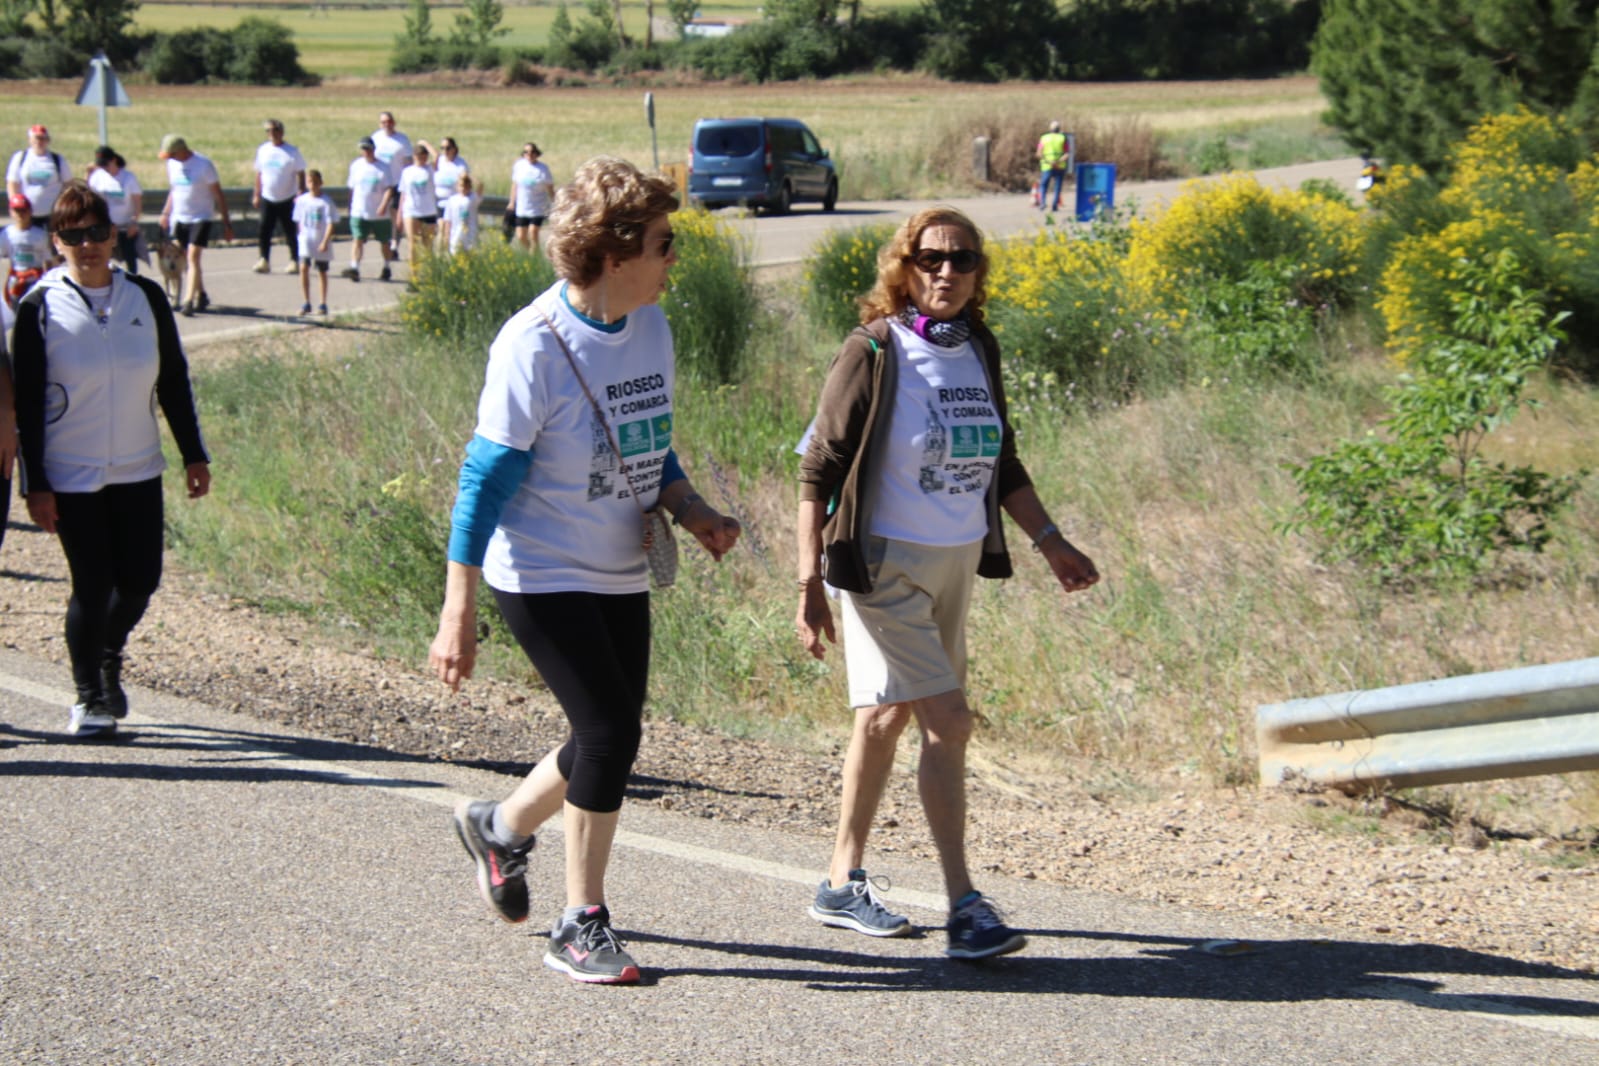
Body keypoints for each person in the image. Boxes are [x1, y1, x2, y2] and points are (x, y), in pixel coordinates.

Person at [430, 156, 741, 985]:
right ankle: (581, 922)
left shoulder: (651, 325)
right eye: (665, 244)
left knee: (604, 732)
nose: (676, 258)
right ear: (615, 253)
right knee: (610, 733)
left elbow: (643, 436)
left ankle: (500, 827)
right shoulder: (532, 345)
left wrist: (690, 508)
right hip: (535, 568)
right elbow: (482, 480)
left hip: (616, 561)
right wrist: (456, 608)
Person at [795, 206, 1099, 959]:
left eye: (962, 260)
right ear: (903, 266)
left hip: (957, 557)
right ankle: (964, 904)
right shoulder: (873, 349)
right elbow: (816, 469)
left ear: (978, 272)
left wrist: (1051, 542)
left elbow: (1003, 465)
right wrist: (807, 580)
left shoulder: (978, 349)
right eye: (930, 259)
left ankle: (840, 880)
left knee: (884, 719)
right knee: (950, 723)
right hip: (879, 564)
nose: (945, 273)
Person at [11, 180, 211, 737]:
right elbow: (26, 404)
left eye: (97, 232)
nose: (88, 245)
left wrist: (194, 455)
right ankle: (88, 697)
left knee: (142, 580)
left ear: (114, 233)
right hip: (71, 472)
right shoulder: (39, 307)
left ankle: (107, 650)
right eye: (74, 236)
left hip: (137, 465)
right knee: (92, 584)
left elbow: (172, 379)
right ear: (56, 241)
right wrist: (37, 484)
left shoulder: (144, 298)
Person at [157, 134, 233, 317]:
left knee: (192, 258)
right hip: (179, 218)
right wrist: (166, 212)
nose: (170, 159)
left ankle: (188, 300)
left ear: (181, 150)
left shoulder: (203, 165)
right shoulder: (172, 165)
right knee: (185, 258)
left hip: (201, 218)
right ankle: (202, 294)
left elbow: (218, 195)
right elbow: (174, 191)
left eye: (172, 154)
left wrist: (226, 223)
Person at [252, 118, 307, 275]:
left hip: (287, 197)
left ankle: (294, 260)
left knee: (290, 230)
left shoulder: (292, 151)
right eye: (268, 131)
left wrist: (300, 191)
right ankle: (264, 259)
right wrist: (256, 193)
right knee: (264, 229)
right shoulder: (263, 150)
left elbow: (300, 172)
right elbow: (259, 173)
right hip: (267, 197)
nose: (272, 134)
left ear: (281, 132)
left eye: (275, 130)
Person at [343, 137, 394, 283]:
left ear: (373, 149)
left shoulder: (383, 168)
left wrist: (383, 205)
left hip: (379, 213)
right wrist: (350, 204)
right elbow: (352, 188)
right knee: (358, 239)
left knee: (384, 242)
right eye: (363, 149)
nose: (366, 152)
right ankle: (355, 267)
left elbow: (389, 189)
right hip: (359, 210)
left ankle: (386, 266)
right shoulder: (356, 166)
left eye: (368, 149)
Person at [86, 146, 143, 276]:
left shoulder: (128, 178)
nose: (105, 169)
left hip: (125, 225)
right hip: (106, 225)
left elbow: (137, 202)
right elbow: (90, 199)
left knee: (129, 257)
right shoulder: (97, 177)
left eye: (106, 165)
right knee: (105, 256)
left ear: (114, 160)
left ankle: (132, 281)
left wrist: (134, 221)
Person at [293, 169, 338, 316]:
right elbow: (298, 220)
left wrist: (325, 241)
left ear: (321, 183)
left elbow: (331, 223)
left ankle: (323, 303)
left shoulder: (326, 202)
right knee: (303, 268)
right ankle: (306, 302)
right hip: (306, 239)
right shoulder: (302, 201)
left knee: (322, 271)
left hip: (320, 239)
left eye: (315, 182)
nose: (312, 185)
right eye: (310, 182)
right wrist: (300, 236)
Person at [370, 111, 412, 259]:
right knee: (383, 213)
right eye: (383, 122)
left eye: (389, 121)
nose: (386, 125)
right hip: (380, 183)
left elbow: (408, 162)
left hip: (397, 182)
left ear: (394, 123)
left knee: (395, 215)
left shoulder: (402, 140)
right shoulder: (375, 138)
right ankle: (385, 241)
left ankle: (394, 244)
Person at [7, 124, 71, 220]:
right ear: (30, 140)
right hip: (26, 215)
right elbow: (12, 183)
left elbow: (68, 184)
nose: (39, 142)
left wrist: (63, 207)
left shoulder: (57, 160)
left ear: (47, 141)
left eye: (42, 139)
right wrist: (14, 205)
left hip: (52, 215)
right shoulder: (20, 158)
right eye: (36, 138)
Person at [3, 192, 55, 308]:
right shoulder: (6, 235)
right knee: (16, 309)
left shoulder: (40, 234)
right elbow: (4, 259)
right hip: (16, 279)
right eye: (17, 211)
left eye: (23, 210)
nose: (20, 214)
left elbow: (47, 260)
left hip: (34, 278)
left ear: (30, 212)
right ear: (11, 212)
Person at [397, 141, 438, 271]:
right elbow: (403, 194)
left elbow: (437, 156)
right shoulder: (407, 172)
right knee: (412, 244)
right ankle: (414, 274)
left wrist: (426, 144)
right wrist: (399, 213)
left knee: (428, 244)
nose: (421, 158)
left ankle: (431, 271)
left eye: (423, 156)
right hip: (411, 211)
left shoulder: (430, 169)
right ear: (414, 156)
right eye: (418, 156)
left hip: (428, 211)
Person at [510, 143, 554, 252]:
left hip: (538, 207)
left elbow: (549, 187)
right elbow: (515, 185)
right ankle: (531, 253)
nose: (529, 154)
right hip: (522, 206)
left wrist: (554, 202)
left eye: (532, 152)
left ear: (536, 154)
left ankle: (534, 255)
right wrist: (512, 202)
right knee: (521, 235)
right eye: (526, 152)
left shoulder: (543, 169)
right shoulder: (519, 166)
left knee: (533, 231)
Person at [439, 174, 480, 255]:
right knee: (455, 254)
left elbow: (481, 186)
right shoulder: (452, 200)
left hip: (470, 232)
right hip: (455, 233)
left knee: (470, 254)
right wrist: (446, 235)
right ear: (457, 187)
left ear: (469, 187)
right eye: (461, 186)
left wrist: (469, 177)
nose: (463, 188)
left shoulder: (473, 198)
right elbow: (448, 219)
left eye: (466, 186)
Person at [1035, 120, 1069, 213]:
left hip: (1047, 166)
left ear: (1050, 129)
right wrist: (1058, 161)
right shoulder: (1063, 138)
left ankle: (1042, 203)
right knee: (1057, 186)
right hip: (1059, 166)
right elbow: (1067, 154)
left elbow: (1038, 153)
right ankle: (1054, 206)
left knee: (1043, 185)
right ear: (1059, 129)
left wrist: (1048, 161)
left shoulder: (1044, 138)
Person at [433, 136, 469, 206]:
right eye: (442, 148)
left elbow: (465, 182)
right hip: (438, 204)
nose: (445, 151)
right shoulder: (439, 161)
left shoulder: (461, 164)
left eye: (448, 148)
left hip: (454, 204)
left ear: (454, 149)